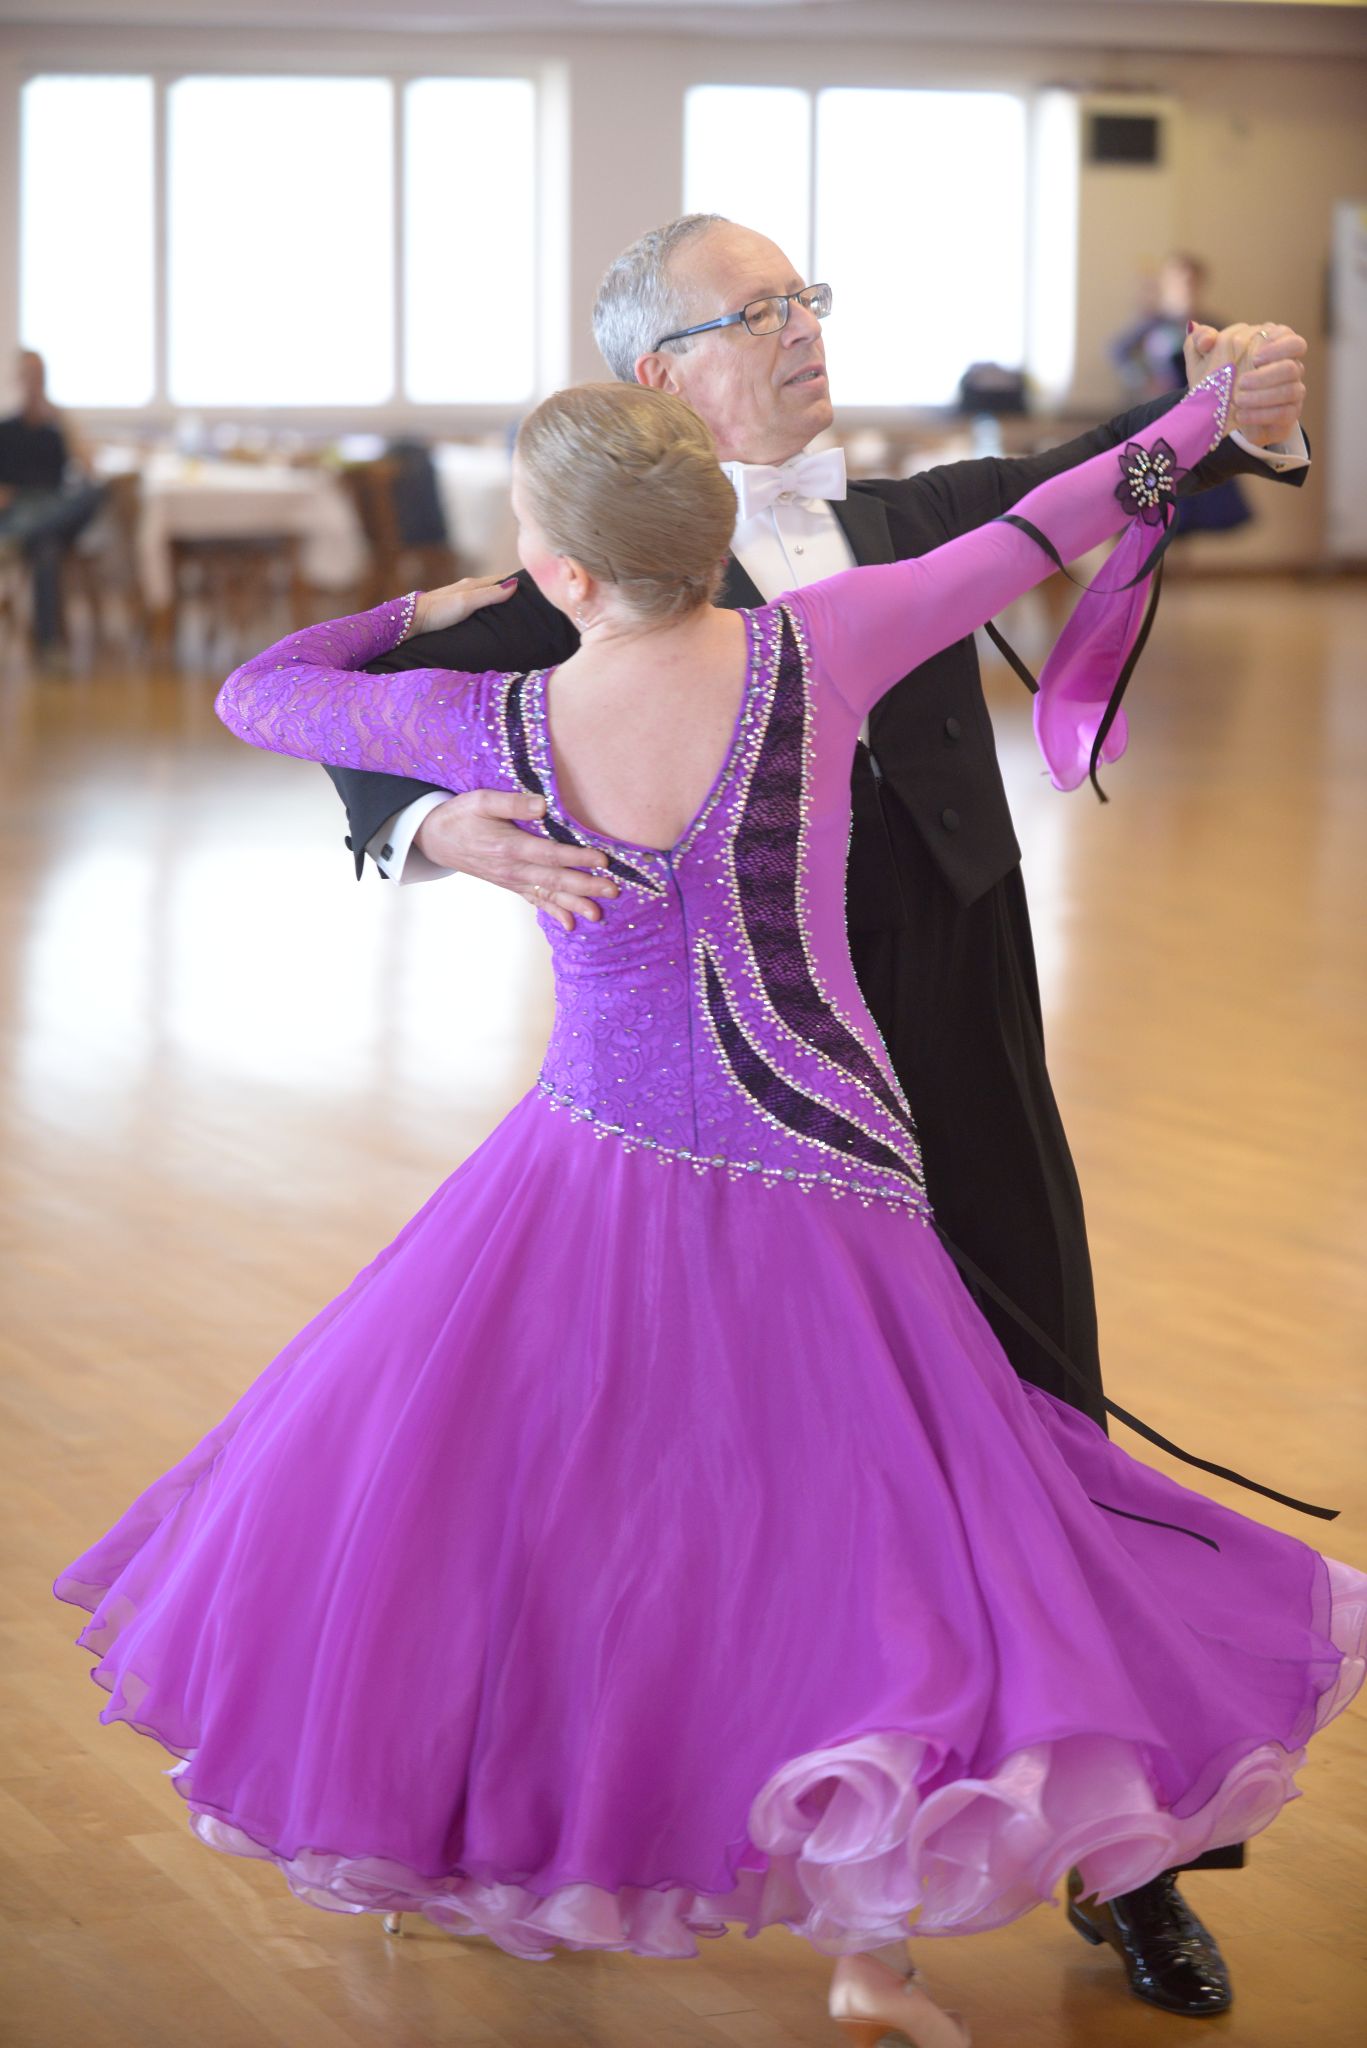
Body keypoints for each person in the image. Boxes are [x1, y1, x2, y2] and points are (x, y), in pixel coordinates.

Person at [56, 367, 1362, 2048]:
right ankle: (870, 1945)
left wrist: (426, 610)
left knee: (567, 1499)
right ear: (707, 529)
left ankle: (552, 1826)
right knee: (871, 1535)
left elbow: (259, 691)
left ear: (561, 570)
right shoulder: (823, 644)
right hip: (828, 1167)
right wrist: (1197, 415)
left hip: (589, 1164)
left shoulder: (497, 717)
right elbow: (1053, 522)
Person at [322, 215, 1311, 2016]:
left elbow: (1107, 465)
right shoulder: (581, 566)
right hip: (720, 1084)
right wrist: (433, 824)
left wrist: (1235, 395)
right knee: (615, 1452)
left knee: (1036, 1395)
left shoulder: (909, 518)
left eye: (807, 299)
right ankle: (519, 1809)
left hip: (949, 1010)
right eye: (756, 309)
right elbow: (349, 716)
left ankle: (1127, 1854)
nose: (800, 329)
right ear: (660, 373)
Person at [1111, 253, 1255, 535]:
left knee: (1198, 494)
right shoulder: (1153, 324)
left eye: (1190, 281)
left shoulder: (1213, 326)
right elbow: (1118, 353)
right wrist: (1145, 379)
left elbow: (1236, 364)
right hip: (1161, 420)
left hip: (1202, 422)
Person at [0, 348, 105, 659]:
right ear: (19, 379)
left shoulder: (57, 428)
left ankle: (23, 536)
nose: (34, 382)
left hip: (55, 508)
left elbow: (90, 470)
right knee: (46, 549)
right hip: (21, 508)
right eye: (29, 375)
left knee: (94, 493)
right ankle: (49, 647)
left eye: (39, 375)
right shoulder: (6, 430)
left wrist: (64, 423)